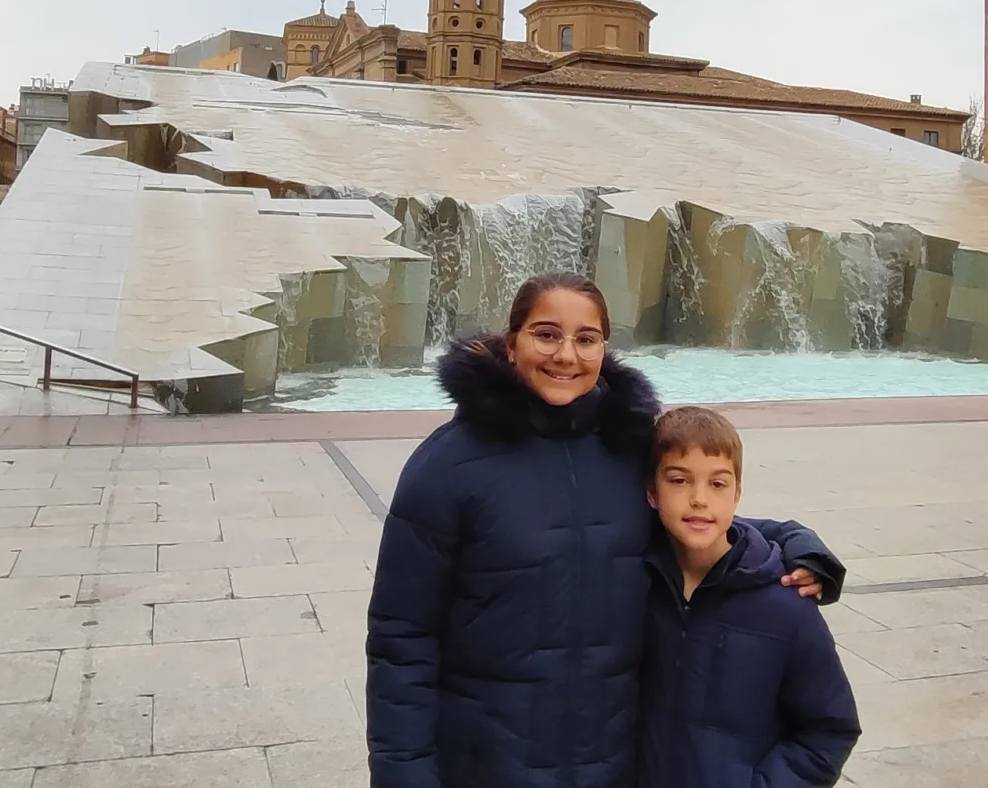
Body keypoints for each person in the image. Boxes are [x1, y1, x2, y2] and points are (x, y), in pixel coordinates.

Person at [367, 273, 844, 788]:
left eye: (585, 339)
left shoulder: (629, 446)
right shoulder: (446, 466)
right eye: (546, 334)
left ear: (604, 350)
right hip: (487, 762)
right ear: (512, 344)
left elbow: (695, 514)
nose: (565, 355)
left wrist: (797, 545)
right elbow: (402, 638)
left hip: (610, 763)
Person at [639, 406, 859, 787]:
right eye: (679, 480)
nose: (699, 499)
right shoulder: (636, 585)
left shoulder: (786, 606)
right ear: (651, 492)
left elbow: (829, 729)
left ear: (738, 493)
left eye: (718, 484)